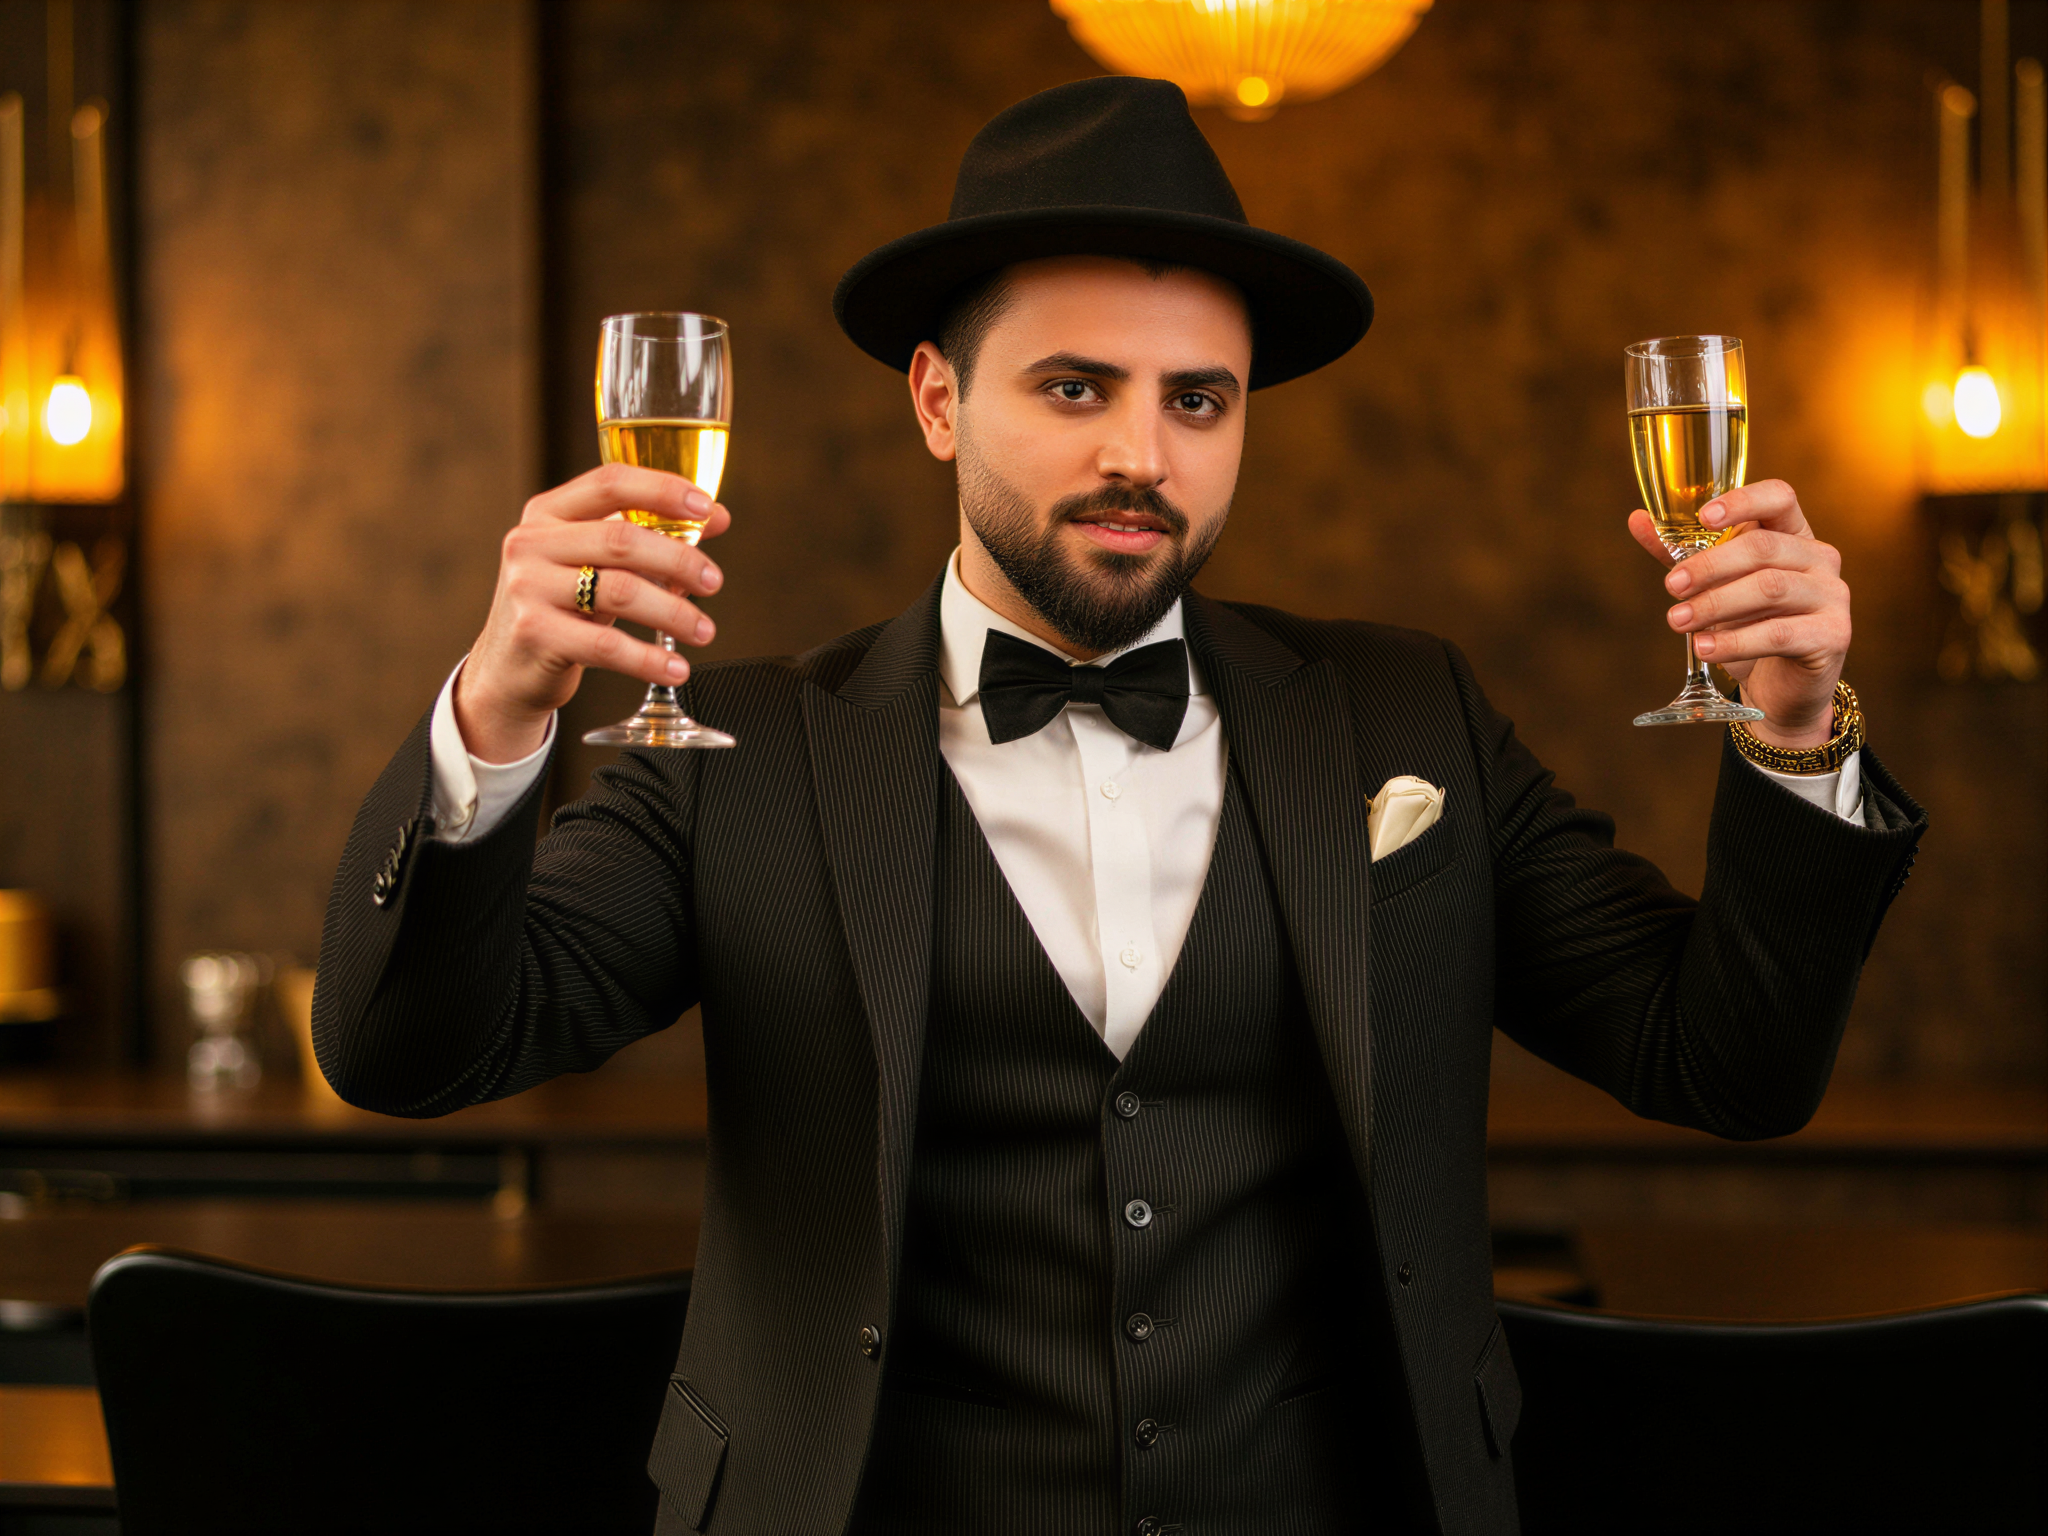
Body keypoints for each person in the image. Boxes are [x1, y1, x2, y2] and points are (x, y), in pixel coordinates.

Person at [315, 78, 1924, 1536]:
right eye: (1076, 388)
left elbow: (1725, 1065)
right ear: (937, 401)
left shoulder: (1404, 714)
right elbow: (410, 1053)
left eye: (1198, 400)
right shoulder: (738, 752)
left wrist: (1794, 733)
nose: (1142, 455)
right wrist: (498, 707)